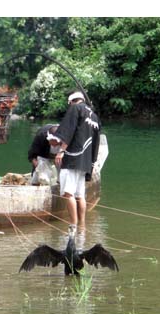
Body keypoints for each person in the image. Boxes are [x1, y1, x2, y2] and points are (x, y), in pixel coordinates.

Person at [53, 91, 101, 226]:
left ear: (71, 101)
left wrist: (61, 151)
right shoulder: (94, 116)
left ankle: (73, 225)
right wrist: (91, 162)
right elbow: (96, 142)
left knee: (68, 194)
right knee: (80, 195)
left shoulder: (75, 109)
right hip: (85, 161)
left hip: (72, 158)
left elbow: (68, 131)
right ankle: (82, 225)